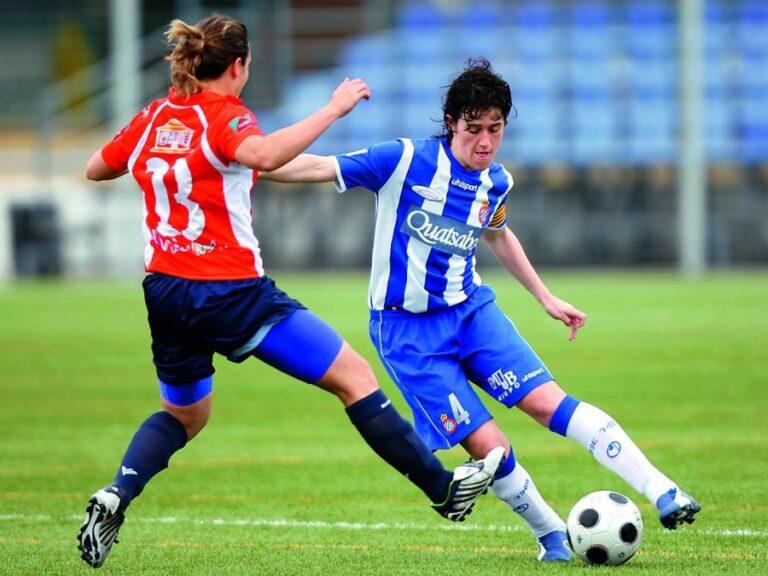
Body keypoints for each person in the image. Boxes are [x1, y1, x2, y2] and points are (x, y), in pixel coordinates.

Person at [77, 17, 503, 569]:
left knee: (184, 416)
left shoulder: (154, 116)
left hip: (164, 290)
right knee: (354, 378)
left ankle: (117, 493)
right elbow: (260, 155)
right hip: (230, 289)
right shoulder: (227, 115)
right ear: (239, 66)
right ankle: (443, 491)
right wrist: (333, 109)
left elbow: (95, 168)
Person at [261, 57, 701, 562]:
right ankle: (552, 537)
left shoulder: (496, 181)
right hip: (406, 334)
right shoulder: (403, 160)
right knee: (491, 450)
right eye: (474, 129)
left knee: (548, 403)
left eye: (495, 129)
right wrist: (257, 162)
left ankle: (664, 490)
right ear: (452, 123)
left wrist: (545, 296)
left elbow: (497, 231)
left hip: (471, 313)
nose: (485, 141)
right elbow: (315, 166)